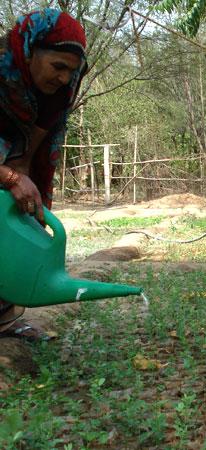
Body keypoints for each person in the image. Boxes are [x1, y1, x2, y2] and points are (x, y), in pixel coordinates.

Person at [0, 8, 88, 341]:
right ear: (30, 51)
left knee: (20, 221)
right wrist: (8, 177)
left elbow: (33, 145)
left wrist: (20, 173)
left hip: (16, 149)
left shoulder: (61, 87)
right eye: (58, 67)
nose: (65, 78)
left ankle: (4, 318)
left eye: (72, 70)